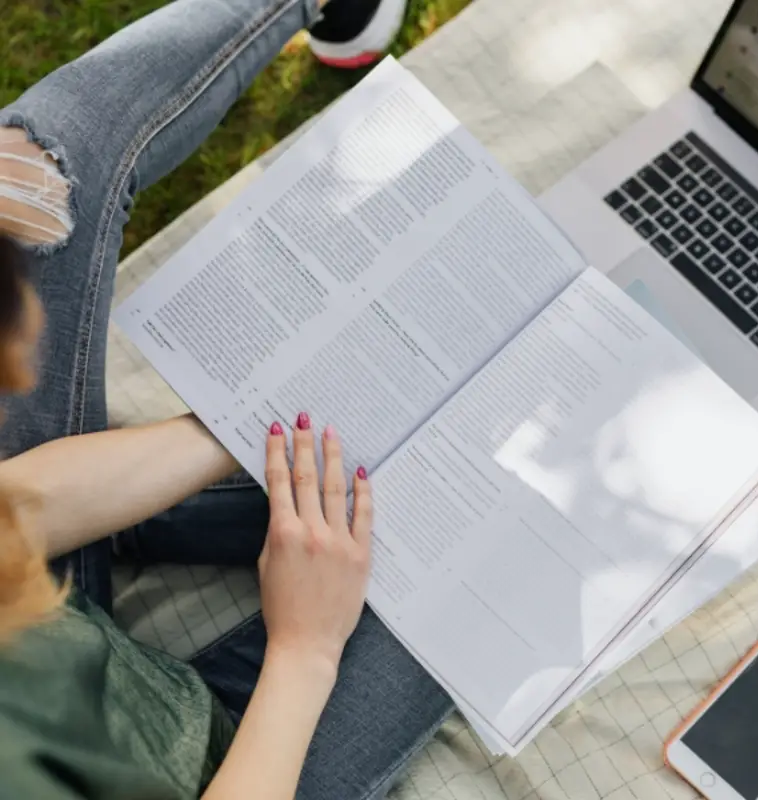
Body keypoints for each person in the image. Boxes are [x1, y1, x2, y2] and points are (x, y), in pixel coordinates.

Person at [0, 0, 453, 798]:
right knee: (471, 530)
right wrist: (303, 649)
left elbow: (14, 511)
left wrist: (237, 418)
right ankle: (159, 528)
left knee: (21, 179)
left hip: (51, 634)